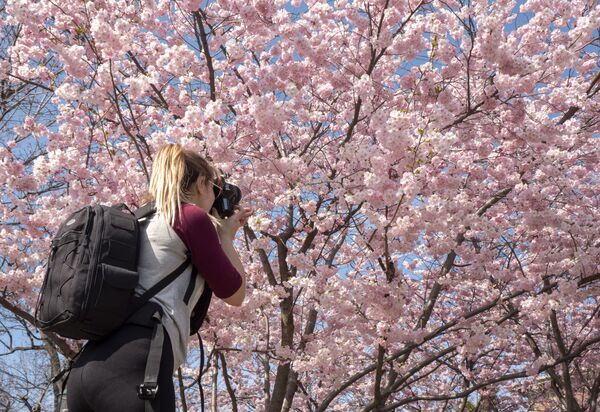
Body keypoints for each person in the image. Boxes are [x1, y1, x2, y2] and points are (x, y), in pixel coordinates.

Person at [66, 143, 253, 411]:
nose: (215, 196)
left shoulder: (139, 222)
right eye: (214, 187)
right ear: (201, 182)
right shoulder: (190, 217)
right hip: (137, 364)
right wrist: (225, 236)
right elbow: (236, 294)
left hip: (87, 367)